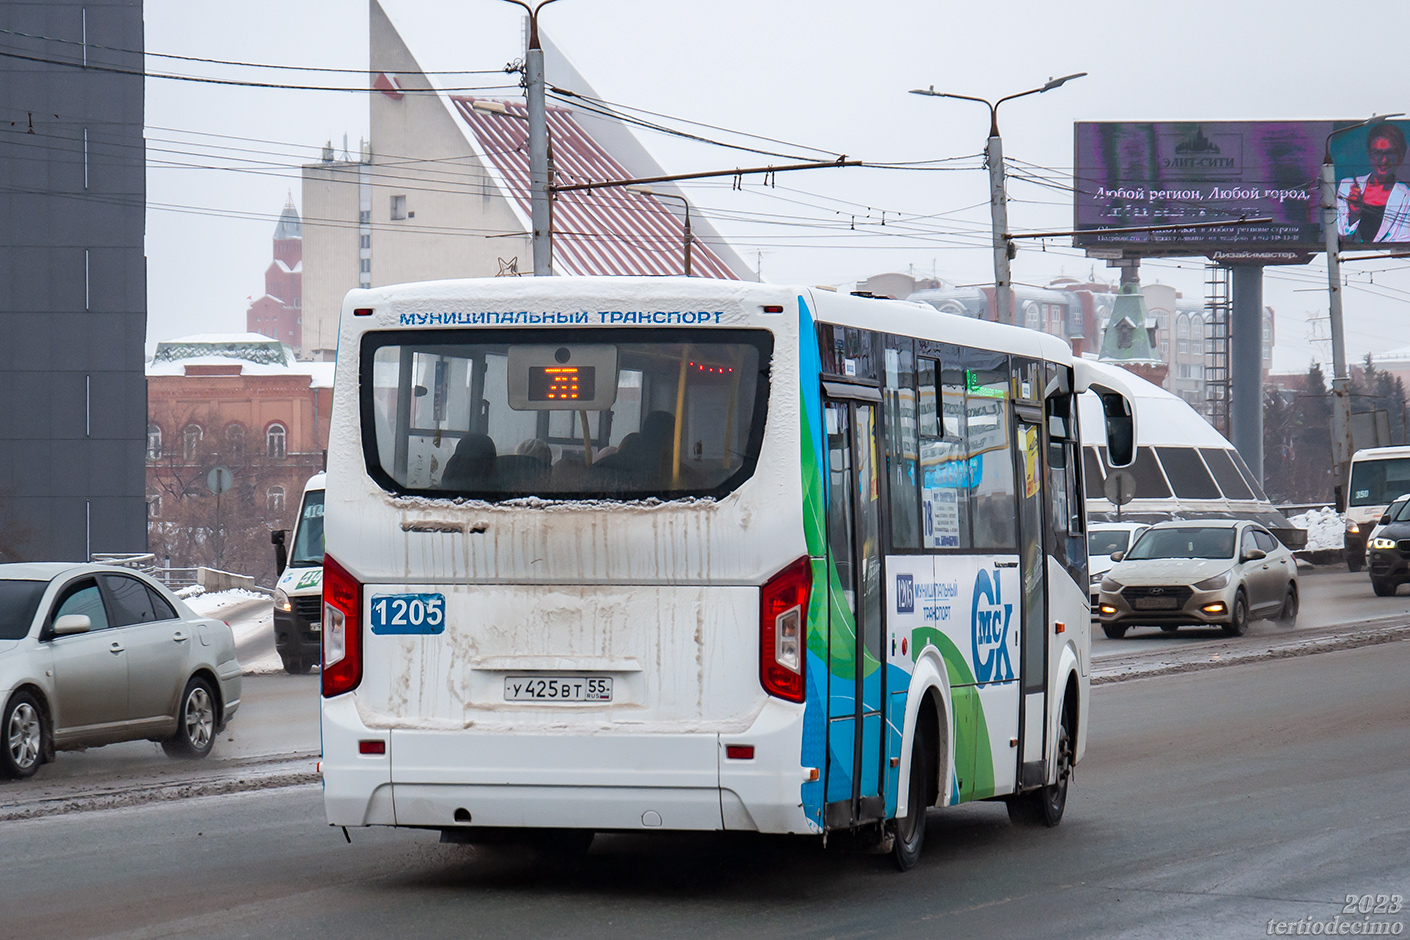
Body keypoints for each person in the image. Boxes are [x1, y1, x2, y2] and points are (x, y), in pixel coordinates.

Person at [1337, 123, 1410, 244]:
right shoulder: (1347, 187)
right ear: (1369, 154)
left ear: (1400, 156)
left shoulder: (1407, 197)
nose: (1384, 160)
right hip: (1351, 260)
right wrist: (1353, 214)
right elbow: (1340, 241)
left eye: (1390, 153)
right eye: (1377, 153)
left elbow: (1404, 244)